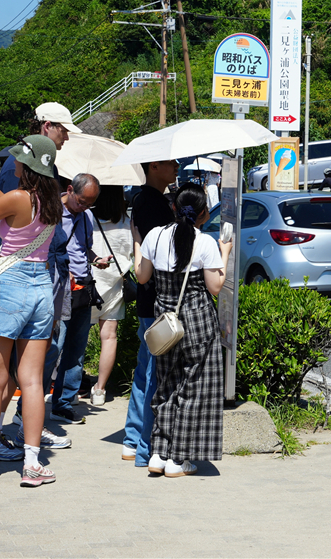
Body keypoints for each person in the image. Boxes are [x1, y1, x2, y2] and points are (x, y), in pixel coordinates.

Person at [0, 102, 78, 460]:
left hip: (10, 285)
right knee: (32, 381)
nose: (13, 162)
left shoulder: (19, 194)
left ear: (26, 166)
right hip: (41, 286)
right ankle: (33, 461)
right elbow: (13, 210)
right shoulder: (51, 200)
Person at [134, 183, 232, 477]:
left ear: (174, 208)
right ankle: (178, 459)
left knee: (165, 385)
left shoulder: (155, 235)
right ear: (203, 214)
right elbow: (215, 288)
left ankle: (158, 454)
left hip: (164, 320)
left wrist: (138, 243)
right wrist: (224, 252)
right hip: (198, 319)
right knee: (193, 388)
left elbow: (142, 277)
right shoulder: (204, 242)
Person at [122, 158, 178, 467]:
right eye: (171, 163)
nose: (177, 167)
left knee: (145, 370)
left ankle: (132, 440)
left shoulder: (144, 199)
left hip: (148, 299)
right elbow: (159, 256)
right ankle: (143, 446)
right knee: (152, 374)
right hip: (157, 297)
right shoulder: (153, 203)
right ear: (154, 166)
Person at [47, 173, 112, 425]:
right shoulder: (51, 213)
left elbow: (84, 249)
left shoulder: (85, 217)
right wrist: (64, 269)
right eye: (82, 201)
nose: (85, 207)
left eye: (90, 203)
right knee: (54, 348)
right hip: (61, 289)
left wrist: (97, 260)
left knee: (76, 351)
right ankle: (31, 404)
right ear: (70, 189)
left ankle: (63, 404)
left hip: (84, 290)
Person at [87, 186, 134, 406]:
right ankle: (100, 389)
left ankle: (69, 388)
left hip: (86, 287)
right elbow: (132, 254)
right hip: (114, 287)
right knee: (109, 337)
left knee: (76, 338)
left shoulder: (87, 218)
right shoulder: (126, 223)